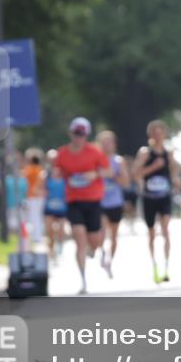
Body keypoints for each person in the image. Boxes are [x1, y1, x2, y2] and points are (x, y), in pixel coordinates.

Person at [57, 117, 111, 294]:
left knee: (94, 239)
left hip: (93, 200)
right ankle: (83, 280)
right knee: (79, 238)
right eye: (76, 133)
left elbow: (108, 171)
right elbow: (57, 171)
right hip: (74, 200)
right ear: (70, 133)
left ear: (86, 135)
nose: (78, 137)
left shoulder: (94, 152)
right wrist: (57, 174)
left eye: (82, 134)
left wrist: (94, 174)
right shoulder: (63, 153)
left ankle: (94, 248)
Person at [133, 120, 177, 284]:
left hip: (164, 196)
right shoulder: (145, 153)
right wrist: (153, 167)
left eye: (161, 133)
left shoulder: (168, 152)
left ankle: (166, 267)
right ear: (150, 135)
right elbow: (136, 174)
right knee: (151, 233)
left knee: (166, 229)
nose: (158, 137)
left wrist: (175, 177)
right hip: (149, 197)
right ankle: (155, 266)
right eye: (155, 134)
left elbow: (172, 173)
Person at [97, 130, 129, 278]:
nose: (106, 145)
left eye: (109, 142)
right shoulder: (96, 160)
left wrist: (113, 175)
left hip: (115, 201)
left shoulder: (118, 161)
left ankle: (110, 261)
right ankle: (103, 253)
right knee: (102, 231)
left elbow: (125, 182)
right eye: (103, 142)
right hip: (100, 201)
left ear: (114, 144)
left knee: (114, 236)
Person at [43, 161, 68, 262]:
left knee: (61, 230)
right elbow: (39, 189)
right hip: (50, 208)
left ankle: (60, 246)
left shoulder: (65, 180)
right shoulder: (47, 178)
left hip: (62, 208)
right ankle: (51, 249)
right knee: (49, 230)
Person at [22, 148, 46, 248]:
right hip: (41, 196)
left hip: (32, 196)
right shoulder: (41, 170)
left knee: (33, 217)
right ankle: (39, 235)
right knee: (39, 217)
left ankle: (36, 237)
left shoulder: (28, 170)